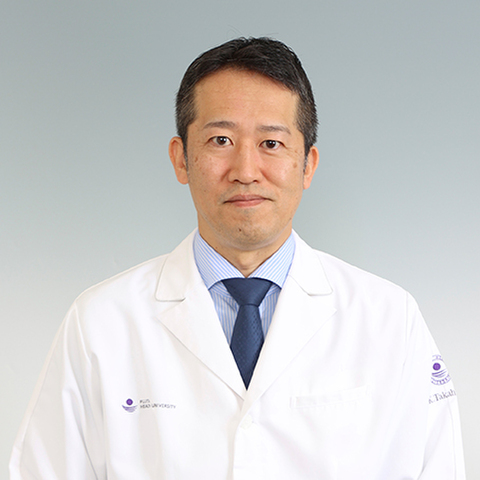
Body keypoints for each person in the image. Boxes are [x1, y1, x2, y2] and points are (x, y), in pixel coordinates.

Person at [10, 37, 465, 479]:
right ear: (181, 159)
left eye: (271, 143)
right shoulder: (100, 323)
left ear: (307, 165)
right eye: (221, 140)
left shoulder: (390, 320)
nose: (246, 172)